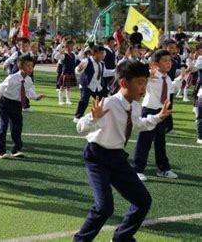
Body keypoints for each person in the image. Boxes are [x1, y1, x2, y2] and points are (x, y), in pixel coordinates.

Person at [73, 60, 171, 242]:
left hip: (117, 158)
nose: (144, 88)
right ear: (124, 83)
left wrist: (158, 117)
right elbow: (80, 127)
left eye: (146, 83)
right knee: (104, 208)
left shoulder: (134, 105)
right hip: (97, 157)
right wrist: (93, 119)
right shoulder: (108, 103)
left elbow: (138, 124)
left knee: (143, 201)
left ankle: (121, 238)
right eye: (140, 83)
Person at [133, 49, 183, 181]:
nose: (169, 63)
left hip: (162, 112)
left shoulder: (167, 78)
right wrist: (148, 74)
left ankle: (163, 169)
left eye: (170, 60)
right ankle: (137, 169)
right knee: (144, 141)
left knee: (160, 142)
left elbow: (171, 88)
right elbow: (138, 79)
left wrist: (182, 77)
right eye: (165, 61)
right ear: (156, 63)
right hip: (149, 110)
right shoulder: (152, 76)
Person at [0, 55, 44, 158]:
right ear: (20, 66)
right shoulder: (12, 77)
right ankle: (0, 150)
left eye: (32, 66)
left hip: (17, 105)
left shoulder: (28, 80)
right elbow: (2, 87)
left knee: (17, 127)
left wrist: (36, 97)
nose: (30, 68)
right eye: (28, 66)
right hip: (5, 103)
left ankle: (16, 149)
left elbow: (29, 91)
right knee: (3, 126)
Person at [74, 45, 114, 122]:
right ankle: (77, 117)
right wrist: (78, 69)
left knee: (105, 100)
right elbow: (77, 70)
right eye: (100, 53)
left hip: (97, 86)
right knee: (84, 100)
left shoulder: (102, 63)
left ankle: (105, 116)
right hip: (86, 85)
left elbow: (104, 73)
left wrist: (115, 71)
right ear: (94, 53)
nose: (102, 55)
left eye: (103, 53)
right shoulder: (86, 61)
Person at [54, 40, 78, 105]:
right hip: (65, 72)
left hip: (71, 72)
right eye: (71, 46)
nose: (72, 47)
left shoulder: (73, 54)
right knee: (62, 87)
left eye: (73, 46)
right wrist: (60, 52)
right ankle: (60, 100)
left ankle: (68, 100)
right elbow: (56, 57)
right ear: (66, 47)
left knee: (69, 87)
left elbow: (79, 57)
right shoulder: (64, 55)